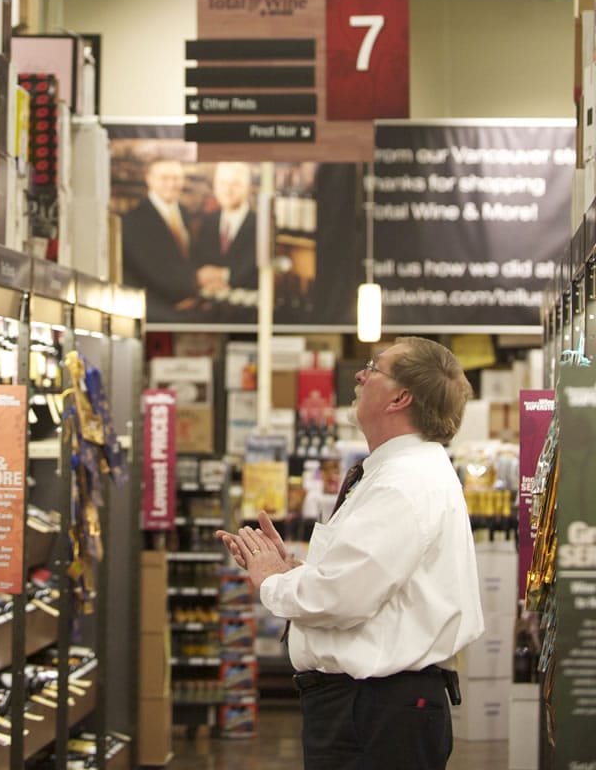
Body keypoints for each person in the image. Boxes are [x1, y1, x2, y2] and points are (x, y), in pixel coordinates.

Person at [216, 336, 484, 770]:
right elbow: (366, 584)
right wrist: (298, 571)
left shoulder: (403, 483)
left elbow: (342, 598)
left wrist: (274, 581)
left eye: (374, 367)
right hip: (374, 709)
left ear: (400, 397)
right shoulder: (399, 474)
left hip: (374, 713)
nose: (360, 375)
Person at [121, 158, 197, 322]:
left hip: (185, 308)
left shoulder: (185, 214)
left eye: (176, 178)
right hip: (155, 311)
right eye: (164, 178)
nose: (171, 184)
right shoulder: (133, 220)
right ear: (149, 179)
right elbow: (147, 268)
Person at [193, 161, 258, 296]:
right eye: (222, 183)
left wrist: (222, 275)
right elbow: (199, 260)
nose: (228, 190)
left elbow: (253, 269)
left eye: (235, 184)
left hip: (247, 304)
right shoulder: (208, 221)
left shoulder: (261, 224)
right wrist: (208, 281)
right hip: (210, 298)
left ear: (247, 188)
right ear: (215, 187)